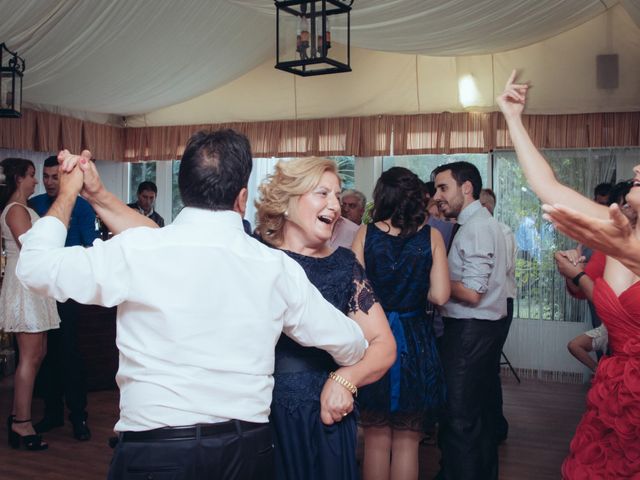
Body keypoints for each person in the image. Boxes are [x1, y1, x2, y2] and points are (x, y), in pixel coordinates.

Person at [16, 130, 369, 480]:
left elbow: (35, 268)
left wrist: (68, 194)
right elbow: (352, 344)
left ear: (184, 189)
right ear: (241, 198)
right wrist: (343, 376)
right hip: (247, 451)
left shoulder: (137, 251)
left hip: (157, 450)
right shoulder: (275, 268)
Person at [497, 70, 640, 478]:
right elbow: (549, 186)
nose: (637, 166)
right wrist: (512, 118)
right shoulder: (614, 228)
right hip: (615, 392)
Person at [256, 157, 396, 480]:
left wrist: (345, 379)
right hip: (263, 417)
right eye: (323, 193)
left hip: (326, 419)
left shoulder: (344, 266)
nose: (335, 205)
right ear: (287, 203)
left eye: (338, 194)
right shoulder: (258, 257)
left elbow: (384, 345)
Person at [353, 167, 450, 480]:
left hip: (373, 339)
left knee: (376, 440)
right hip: (414, 340)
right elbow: (440, 295)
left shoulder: (365, 233)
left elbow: (353, 295)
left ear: (382, 197)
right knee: (408, 442)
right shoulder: (431, 235)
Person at [432, 162, 509, 480]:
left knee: (459, 418)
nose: (437, 196)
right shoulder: (477, 223)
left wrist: (431, 285)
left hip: (469, 331)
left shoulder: (477, 227)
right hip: (478, 330)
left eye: (442, 188)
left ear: (466, 188)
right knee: (475, 417)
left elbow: (474, 292)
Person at [29, 155, 98, 441]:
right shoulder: (34, 205)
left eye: (54, 176)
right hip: (40, 292)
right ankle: (52, 412)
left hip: (67, 291)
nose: (48, 181)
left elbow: (86, 245)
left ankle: (78, 416)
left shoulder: (81, 208)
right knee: (47, 355)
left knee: (70, 354)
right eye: (45, 176)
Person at [0, 158, 60, 451]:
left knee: (38, 353)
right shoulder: (15, 210)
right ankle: (21, 423)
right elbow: (32, 249)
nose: (36, 181)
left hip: (34, 286)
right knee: (29, 356)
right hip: (24, 286)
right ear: (19, 178)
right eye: (33, 175)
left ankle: (16, 415)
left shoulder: (25, 209)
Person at [479, 187, 517, 444]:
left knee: (489, 365)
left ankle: (495, 425)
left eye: (483, 205)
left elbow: (503, 269)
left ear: (490, 207)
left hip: (500, 301)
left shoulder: (503, 231)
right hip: (481, 305)